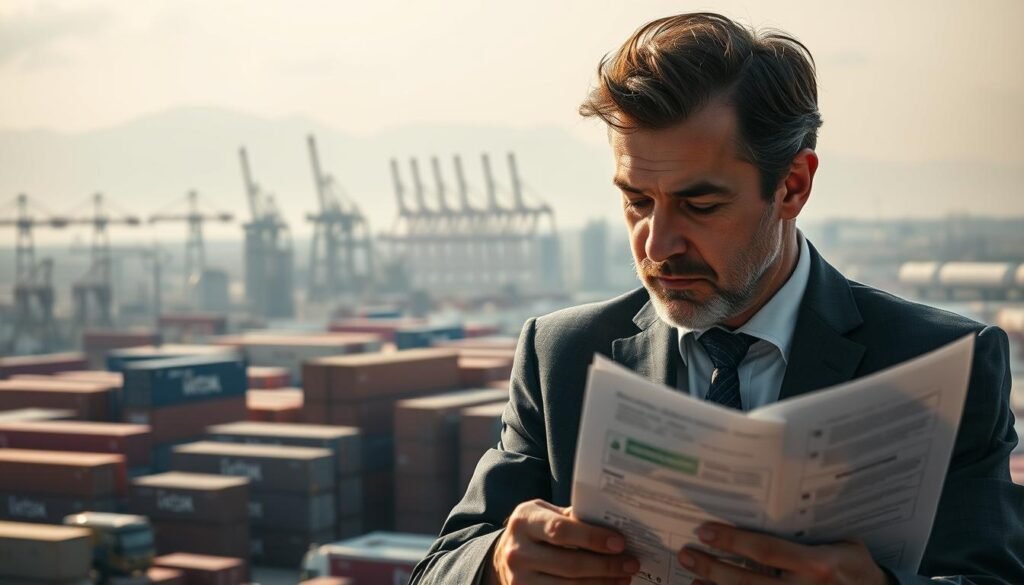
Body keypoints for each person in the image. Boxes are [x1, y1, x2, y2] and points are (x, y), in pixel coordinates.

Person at [409, 12, 1024, 585]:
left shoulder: (947, 362)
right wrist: (498, 563)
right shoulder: (562, 355)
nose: (658, 243)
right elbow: (438, 566)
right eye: (637, 201)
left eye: (700, 205)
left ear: (792, 186)